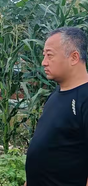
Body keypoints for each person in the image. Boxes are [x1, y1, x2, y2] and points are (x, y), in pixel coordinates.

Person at [25, 28, 88, 186]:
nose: (43, 62)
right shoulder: (56, 94)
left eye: (50, 55)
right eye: (44, 55)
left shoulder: (85, 99)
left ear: (74, 57)